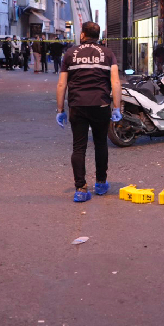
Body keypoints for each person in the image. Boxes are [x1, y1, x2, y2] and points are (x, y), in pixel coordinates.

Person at [55, 21, 122, 203]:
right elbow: (115, 82)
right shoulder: (108, 54)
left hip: (77, 106)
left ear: (83, 35)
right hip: (101, 105)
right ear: (98, 36)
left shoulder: (70, 54)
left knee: (79, 147)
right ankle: (101, 183)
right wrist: (117, 107)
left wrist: (60, 109)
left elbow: (62, 84)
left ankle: (81, 189)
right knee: (101, 144)